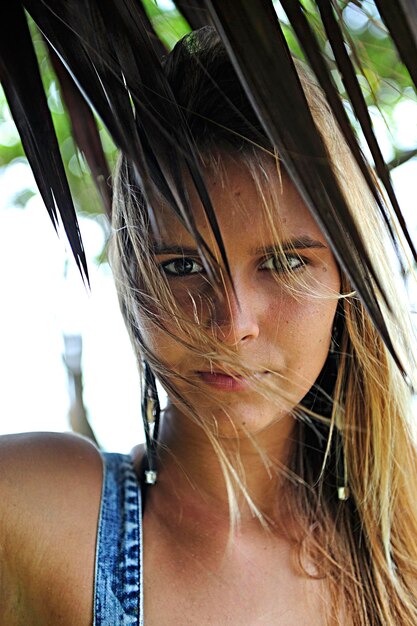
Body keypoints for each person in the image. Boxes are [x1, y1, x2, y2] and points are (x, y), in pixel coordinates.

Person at [1, 25, 417, 626]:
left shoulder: (399, 561)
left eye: (283, 262)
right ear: (133, 275)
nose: (231, 324)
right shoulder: (39, 513)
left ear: (346, 278)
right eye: (183, 265)